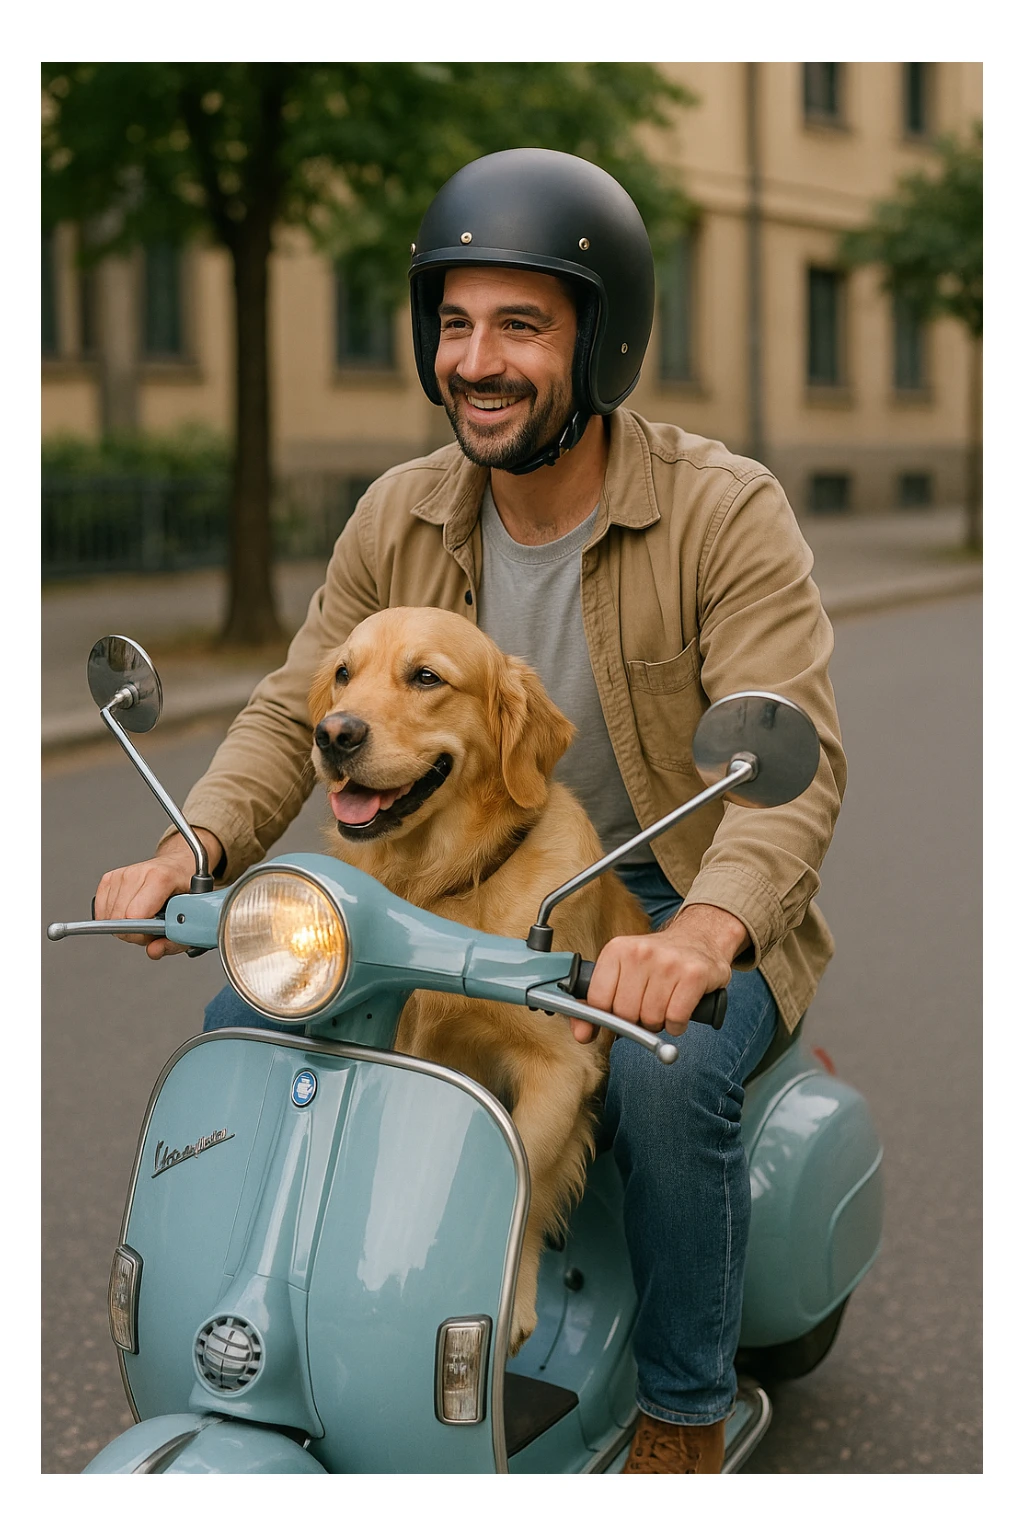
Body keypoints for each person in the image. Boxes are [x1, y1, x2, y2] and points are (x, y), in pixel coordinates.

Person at [95, 148, 846, 1475]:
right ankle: (279, 1340)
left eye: (520, 324)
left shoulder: (724, 511)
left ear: (597, 343)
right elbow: (293, 707)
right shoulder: (402, 512)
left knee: (672, 1093)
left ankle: (680, 1412)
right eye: (454, 322)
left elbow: (798, 756)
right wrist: (189, 847)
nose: (476, 359)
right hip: (439, 881)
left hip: (668, 888)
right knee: (251, 1025)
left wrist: (705, 935)